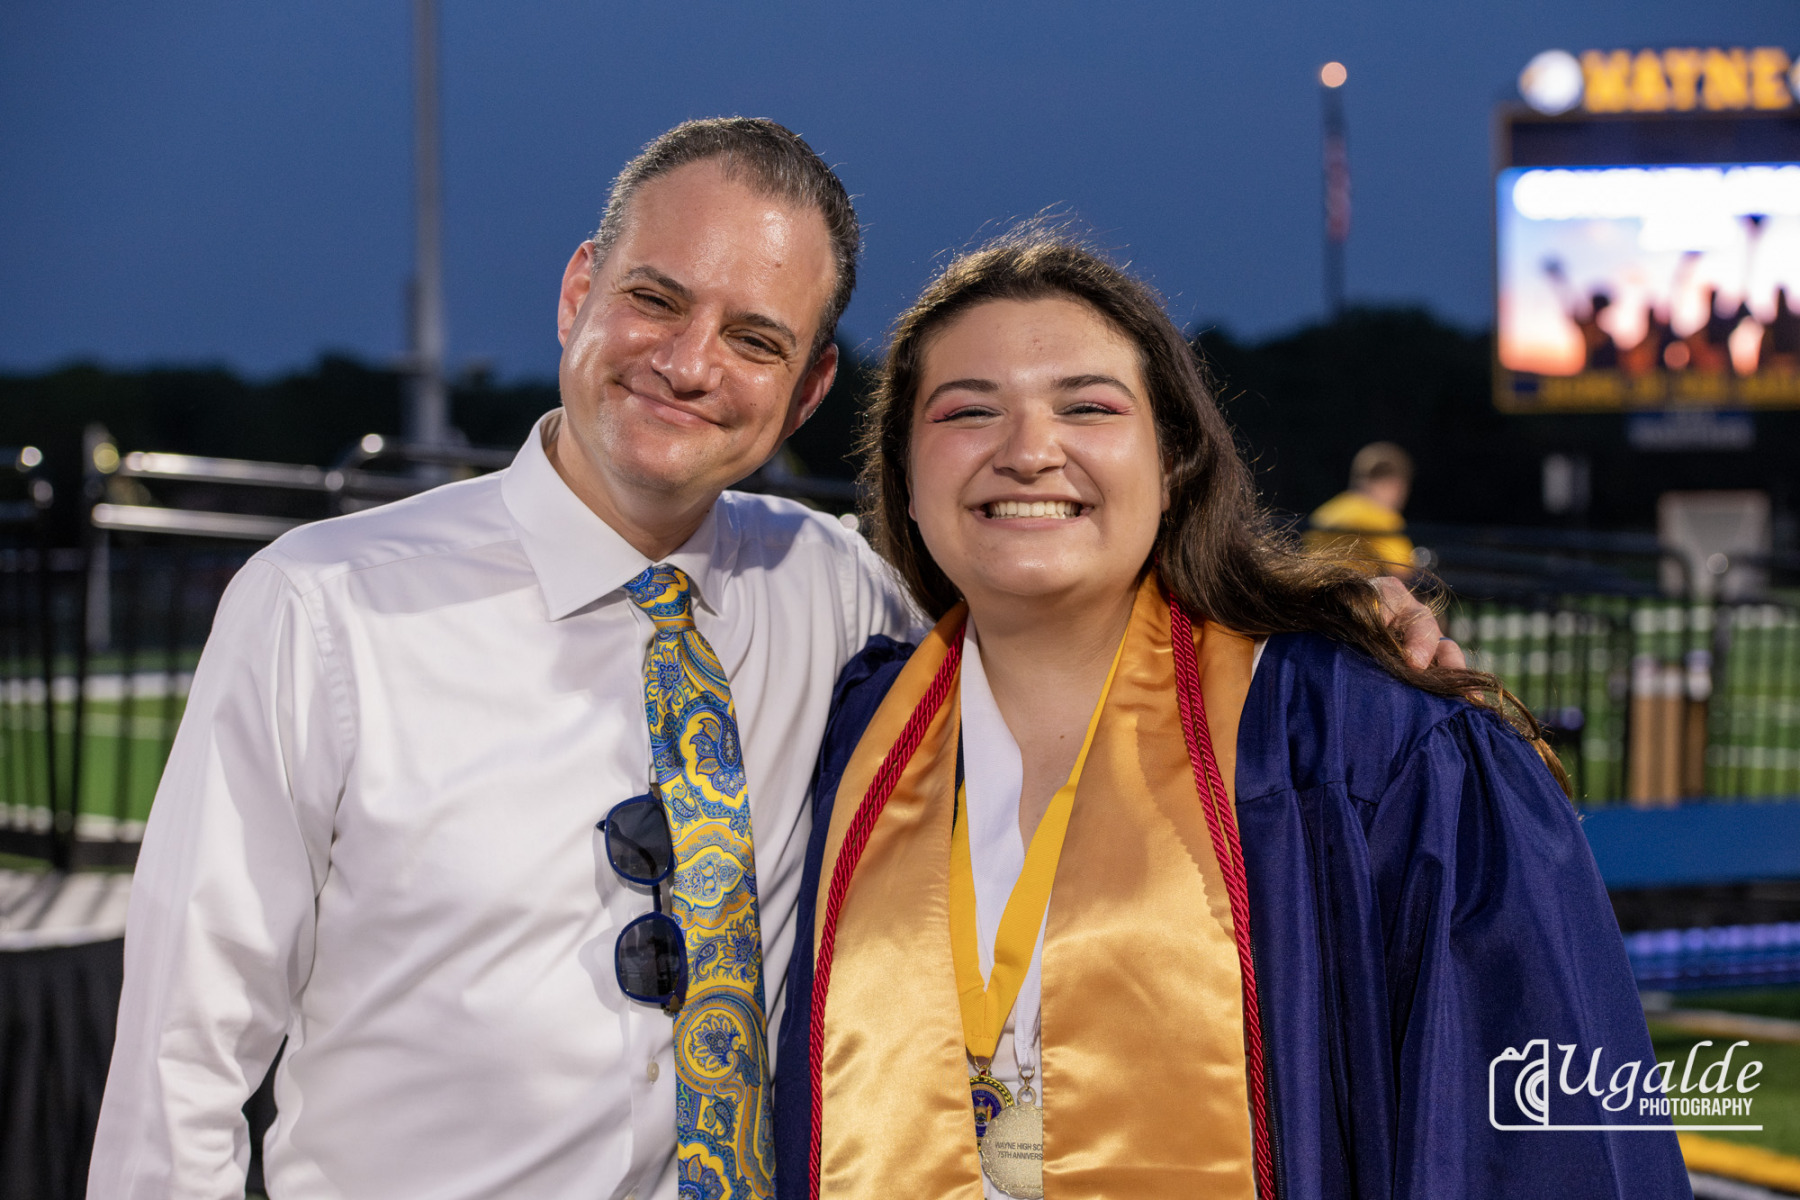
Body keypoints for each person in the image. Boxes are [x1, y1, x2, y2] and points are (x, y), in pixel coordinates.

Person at [88, 121, 1455, 1199]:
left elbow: (1071, 618)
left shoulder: (836, 591)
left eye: (754, 339)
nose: (689, 364)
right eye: (654, 299)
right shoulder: (323, 608)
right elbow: (181, 1057)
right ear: (577, 290)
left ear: (806, 392)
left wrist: (1333, 621)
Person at [773, 233, 1685, 1199]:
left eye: (1088, 407)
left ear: (1173, 461)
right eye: (968, 412)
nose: (1029, 451)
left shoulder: (1358, 747)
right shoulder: (846, 737)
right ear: (906, 480)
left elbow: (1532, 1150)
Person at [1304, 441, 1415, 578]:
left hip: (1317, 588)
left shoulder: (1324, 513)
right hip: (1360, 591)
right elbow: (1401, 571)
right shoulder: (1382, 519)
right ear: (1396, 484)